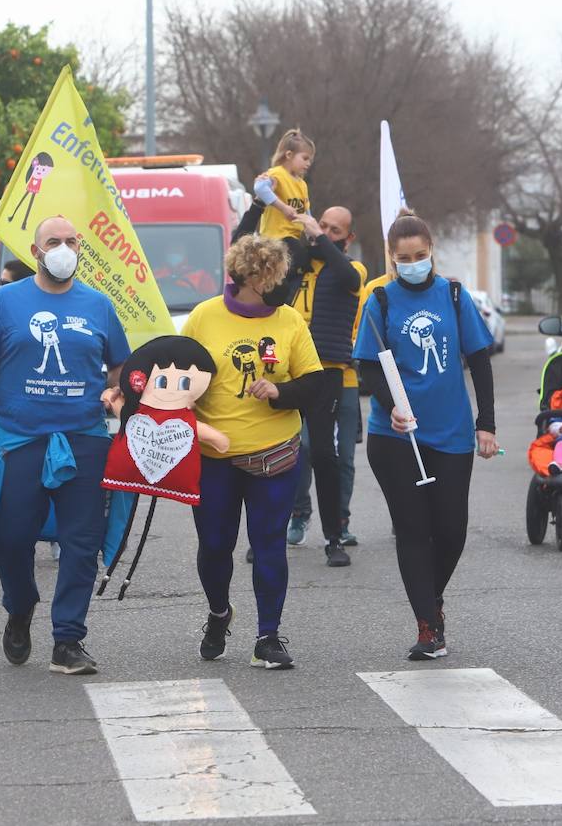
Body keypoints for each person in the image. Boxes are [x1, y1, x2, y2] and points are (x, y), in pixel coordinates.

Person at [0, 216, 130, 675]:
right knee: (9, 536)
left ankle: (68, 640)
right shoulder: (4, 302)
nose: (63, 248)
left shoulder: (98, 305)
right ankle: (20, 607)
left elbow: (118, 367)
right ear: (36, 253)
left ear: (81, 249)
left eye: (70, 241)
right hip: (19, 440)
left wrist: (118, 393)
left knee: (82, 542)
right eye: (53, 242)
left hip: (85, 438)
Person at [356, 214, 497, 661]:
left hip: (452, 432)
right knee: (413, 530)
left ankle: (430, 598)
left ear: (432, 249)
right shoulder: (379, 300)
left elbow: (479, 359)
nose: (413, 264)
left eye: (420, 256)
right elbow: (367, 365)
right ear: (391, 259)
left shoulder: (454, 295)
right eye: (404, 259)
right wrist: (392, 405)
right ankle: (427, 624)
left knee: (451, 530)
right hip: (395, 436)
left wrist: (486, 422)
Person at [180, 235, 321, 669]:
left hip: (272, 455)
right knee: (215, 545)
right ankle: (219, 613)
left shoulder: (290, 321)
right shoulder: (204, 318)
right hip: (213, 457)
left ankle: (269, 635)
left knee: (268, 545)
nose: (284, 286)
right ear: (248, 276)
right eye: (275, 277)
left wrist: (280, 390)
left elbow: (315, 384)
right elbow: (178, 378)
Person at [283, 207, 367, 565]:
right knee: (279, 455)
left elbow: (348, 275)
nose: (325, 233)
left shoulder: (349, 268)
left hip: (327, 371)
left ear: (346, 238)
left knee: (323, 454)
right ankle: (270, 532)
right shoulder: (298, 265)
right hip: (287, 373)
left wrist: (318, 235)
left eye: (335, 230)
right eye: (323, 226)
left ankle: (334, 537)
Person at [253, 129, 316, 306]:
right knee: (300, 257)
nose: (308, 163)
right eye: (305, 158)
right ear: (289, 155)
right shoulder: (277, 174)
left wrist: (313, 234)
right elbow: (259, 189)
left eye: (310, 160)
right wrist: (282, 207)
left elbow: (306, 212)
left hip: (292, 237)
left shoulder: (302, 184)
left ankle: (288, 297)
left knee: (306, 258)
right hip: (276, 237)